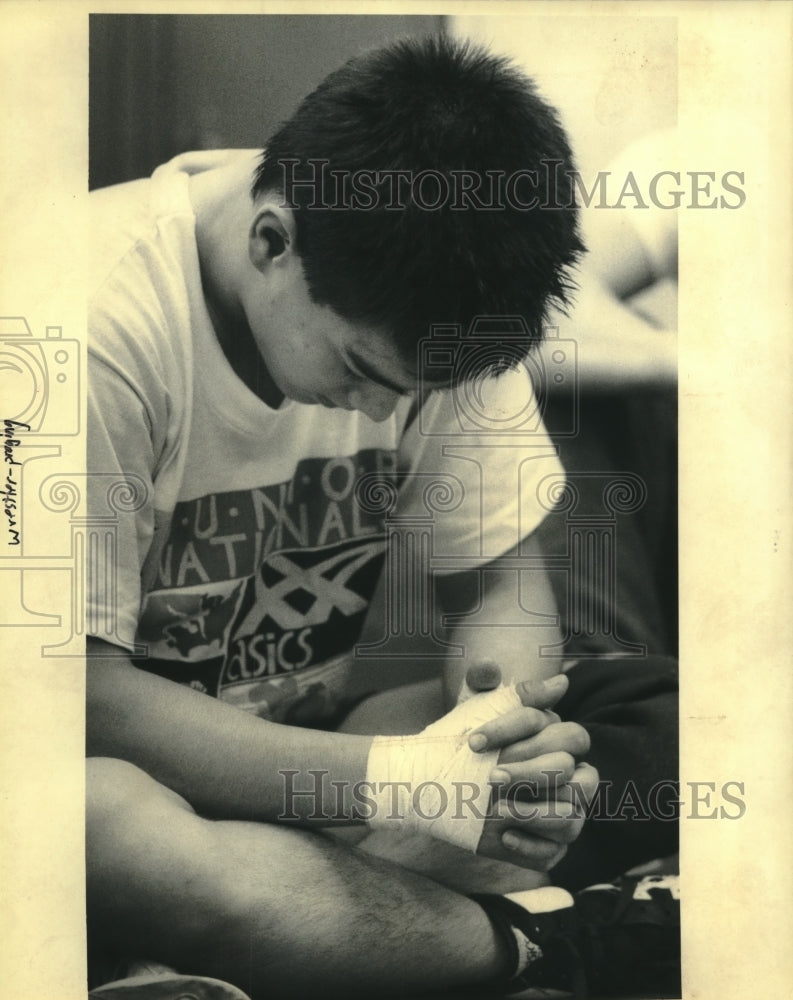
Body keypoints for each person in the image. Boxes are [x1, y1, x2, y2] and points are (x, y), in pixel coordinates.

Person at [86, 36, 678, 999]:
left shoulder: (437, 314)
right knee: (89, 819)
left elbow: (502, 586)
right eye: (362, 373)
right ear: (272, 242)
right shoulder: (84, 329)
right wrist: (399, 785)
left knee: (661, 711)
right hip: (137, 774)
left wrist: (499, 746)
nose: (373, 414)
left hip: (318, 766)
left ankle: (291, 932)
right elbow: (78, 702)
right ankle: (542, 945)